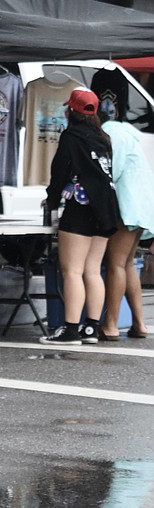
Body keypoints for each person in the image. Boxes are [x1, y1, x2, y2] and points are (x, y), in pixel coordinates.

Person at [40, 87, 119, 345]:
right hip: (106, 207)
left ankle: (71, 329)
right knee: (93, 270)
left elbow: (60, 172)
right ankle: (91, 328)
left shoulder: (71, 137)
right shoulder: (103, 138)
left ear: (70, 111)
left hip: (81, 206)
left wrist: (52, 201)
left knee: (72, 270)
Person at [97, 97, 154, 340]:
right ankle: (139, 323)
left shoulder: (111, 134)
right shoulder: (128, 134)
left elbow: (111, 171)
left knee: (116, 264)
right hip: (143, 206)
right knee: (128, 263)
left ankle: (110, 325)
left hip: (128, 204)